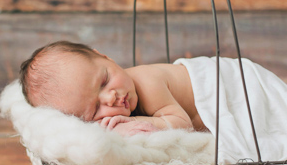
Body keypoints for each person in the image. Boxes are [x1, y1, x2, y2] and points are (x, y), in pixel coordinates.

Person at [19, 40, 204, 137]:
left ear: (106, 58)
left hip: (223, 84)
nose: (110, 98)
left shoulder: (147, 83)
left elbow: (183, 125)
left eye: (104, 81)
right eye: (96, 109)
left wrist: (130, 123)